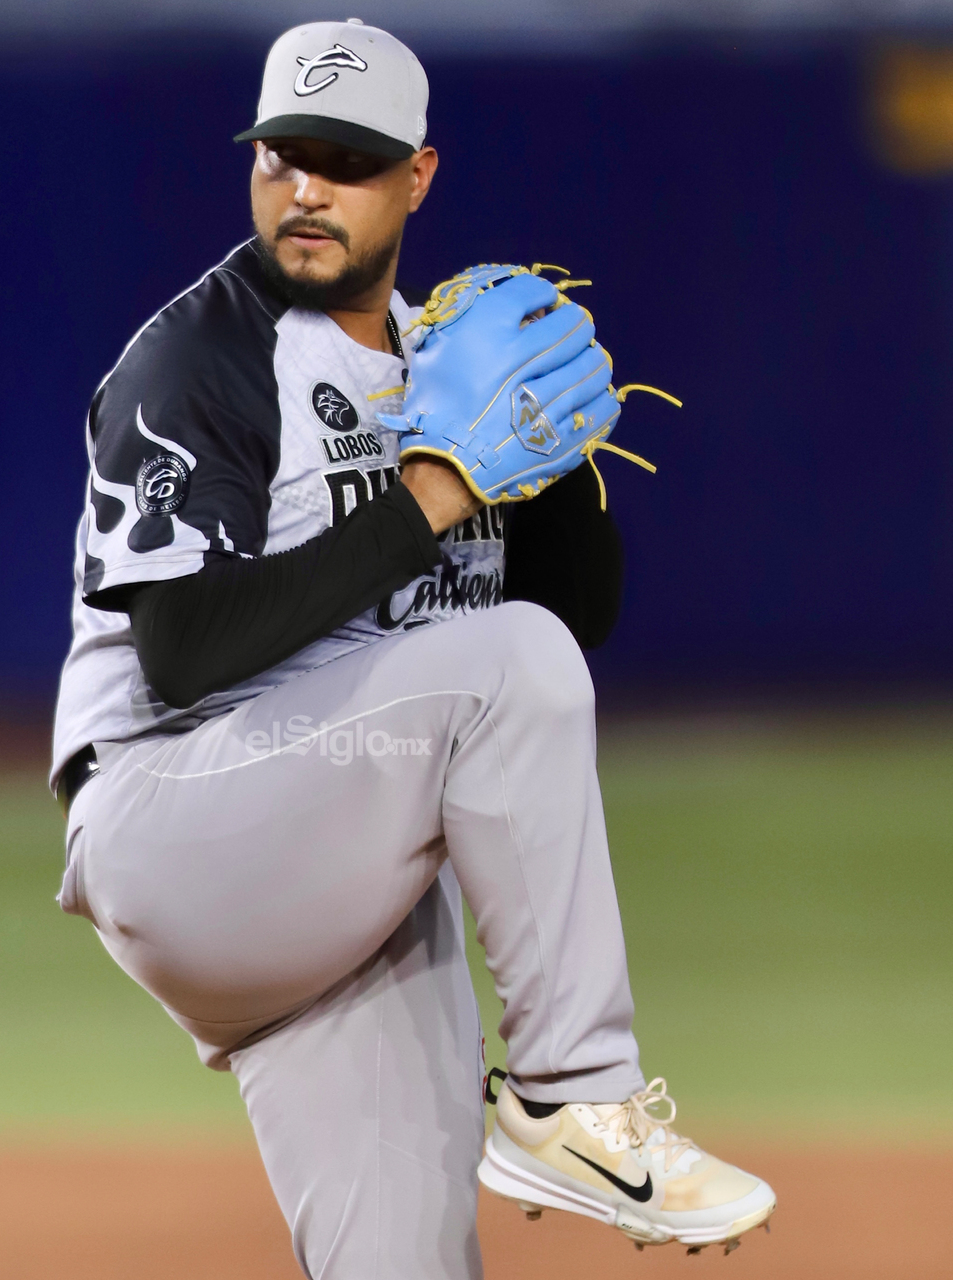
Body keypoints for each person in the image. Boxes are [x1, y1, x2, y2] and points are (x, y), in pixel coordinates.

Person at [50, 19, 774, 1278]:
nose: (307, 188)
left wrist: (545, 461)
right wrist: (436, 491)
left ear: (418, 176)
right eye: (283, 156)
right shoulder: (201, 358)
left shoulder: (449, 362)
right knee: (508, 663)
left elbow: (569, 622)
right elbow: (185, 650)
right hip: (176, 819)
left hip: (339, 856)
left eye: (347, 160)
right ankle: (571, 1092)